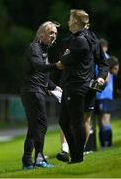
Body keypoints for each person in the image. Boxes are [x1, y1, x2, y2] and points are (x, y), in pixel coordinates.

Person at [56, 9, 109, 164]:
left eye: (70, 18)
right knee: (69, 121)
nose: (67, 21)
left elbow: (64, 60)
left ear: (74, 22)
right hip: (79, 85)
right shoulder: (74, 40)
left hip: (79, 86)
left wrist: (101, 77)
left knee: (79, 121)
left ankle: (77, 156)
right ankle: (76, 154)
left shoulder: (81, 41)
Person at [20, 21, 62, 169]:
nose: (53, 36)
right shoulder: (35, 48)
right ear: (41, 34)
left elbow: (42, 76)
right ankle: (39, 160)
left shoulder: (43, 50)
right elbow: (39, 67)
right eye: (51, 33)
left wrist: (55, 87)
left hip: (34, 91)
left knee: (33, 127)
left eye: (55, 34)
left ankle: (27, 161)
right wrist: (56, 66)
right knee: (41, 125)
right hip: (33, 91)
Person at [95, 56, 119, 149]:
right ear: (111, 67)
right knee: (101, 122)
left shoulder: (107, 74)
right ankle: (104, 144)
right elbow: (100, 87)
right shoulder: (107, 74)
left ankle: (107, 144)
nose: (117, 71)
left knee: (104, 121)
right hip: (101, 98)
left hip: (105, 98)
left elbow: (99, 87)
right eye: (116, 68)